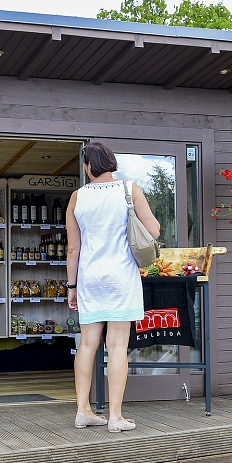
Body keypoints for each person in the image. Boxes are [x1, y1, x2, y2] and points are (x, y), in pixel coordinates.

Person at [65, 141, 160, 433]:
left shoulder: (76, 197)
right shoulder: (129, 190)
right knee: (117, 344)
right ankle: (116, 417)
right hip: (121, 277)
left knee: (87, 344)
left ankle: (84, 410)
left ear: (88, 166)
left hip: (90, 278)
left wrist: (72, 286)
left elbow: (73, 248)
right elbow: (154, 231)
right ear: (111, 162)